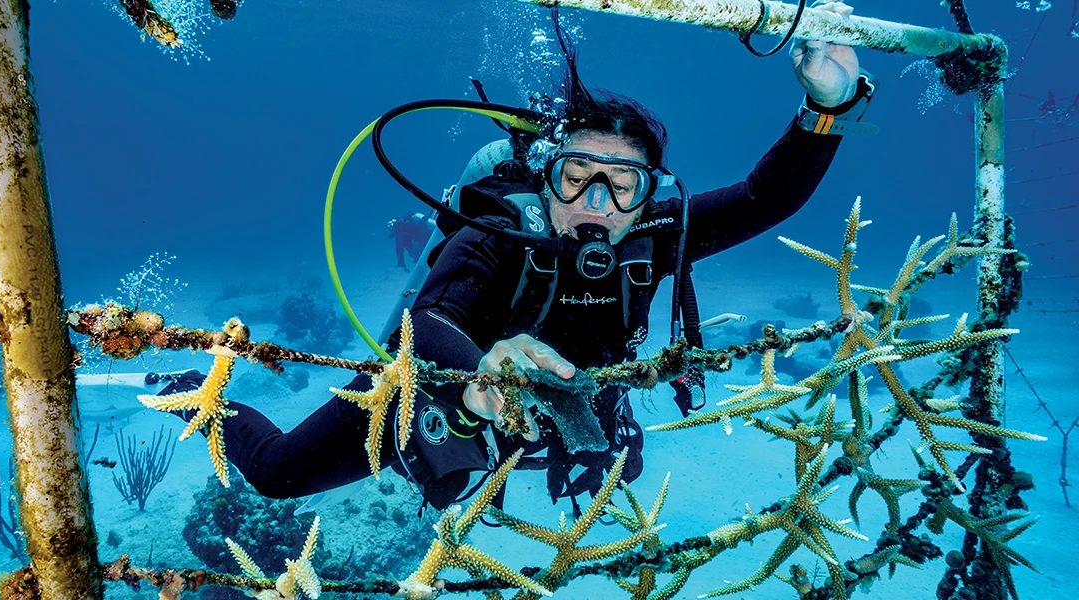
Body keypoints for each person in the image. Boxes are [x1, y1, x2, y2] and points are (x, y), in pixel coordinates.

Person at [164, 2, 874, 513]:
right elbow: (426, 322)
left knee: (616, 468)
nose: (597, 201)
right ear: (546, 176)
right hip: (450, 387)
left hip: (574, 399)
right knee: (279, 474)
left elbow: (763, 198)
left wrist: (829, 107)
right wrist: (480, 374)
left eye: (620, 183)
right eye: (577, 176)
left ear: (647, 194)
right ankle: (197, 387)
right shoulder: (502, 232)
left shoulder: (655, 235)